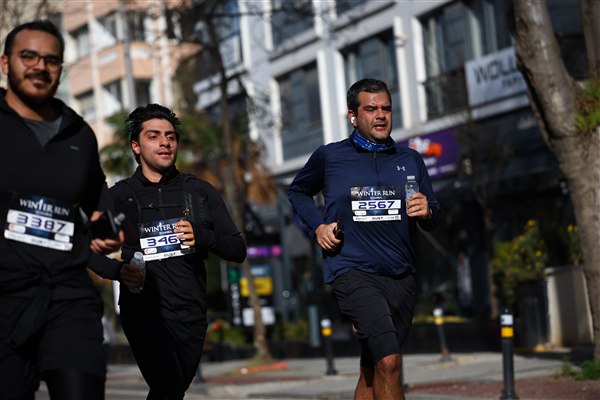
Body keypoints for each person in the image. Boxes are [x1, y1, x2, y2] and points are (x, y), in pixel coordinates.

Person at [288, 78, 441, 400]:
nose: (380, 115)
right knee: (390, 362)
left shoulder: (410, 159)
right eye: (371, 109)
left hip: (401, 275)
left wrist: (428, 211)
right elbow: (298, 192)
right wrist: (318, 226)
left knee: (374, 366)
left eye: (386, 108)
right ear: (353, 116)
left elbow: (434, 216)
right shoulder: (330, 157)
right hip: (352, 271)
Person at [0, 20, 123, 399]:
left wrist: (109, 231)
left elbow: (97, 198)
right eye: (28, 56)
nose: (40, 66)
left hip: (68, 297)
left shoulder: (78, 133)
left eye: (51, 60)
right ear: (5, 63)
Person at [90, 103, 247, 400]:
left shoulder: (200, 191)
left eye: (170, 136)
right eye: (154, 136)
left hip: (191, 312)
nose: (165, 142)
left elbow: (237, 249)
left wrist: (201, 236)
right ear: (136, 146)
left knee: (171, 391)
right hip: (144, 311)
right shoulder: (119, 195)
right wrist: (117, 271)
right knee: (167, 384)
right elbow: (83, 248)